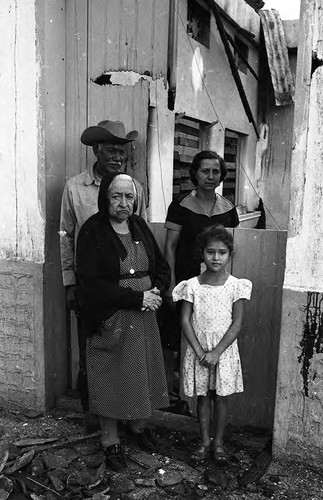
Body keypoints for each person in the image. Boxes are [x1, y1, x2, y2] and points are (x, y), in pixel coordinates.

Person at [76, 172, 170, 471]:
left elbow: (161, 266)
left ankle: (137, 426)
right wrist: (136, 298)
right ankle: (110, 437)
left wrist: (156, 291)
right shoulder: (92, 230)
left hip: (143, 315)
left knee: (140, 372)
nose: (123, 203)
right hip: (111, 315)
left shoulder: (139, 224)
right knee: (110, 374)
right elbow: (91, 283)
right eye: (116, 196)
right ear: (105, 197)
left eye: (129, 197)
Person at [59, 120, 147, 422]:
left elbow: (141, 234)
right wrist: (70, 282)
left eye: (121, 150)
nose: (117, 157)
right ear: (96, 149)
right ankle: (93, 415)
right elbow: (66, 236)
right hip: (91, 285)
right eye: (111, 150)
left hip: (126, 289)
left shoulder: (133, 189)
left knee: (128, 354)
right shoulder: (75, 187)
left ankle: (126, 415)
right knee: (92, 350)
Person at [172, 226, 252, 463]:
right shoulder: (192, 285)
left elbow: (237, 323)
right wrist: (199, 352)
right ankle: (204, 441)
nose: (216, 258)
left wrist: (216, 352)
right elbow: (185, 319)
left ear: (230, 254)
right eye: (210, 252)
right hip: (200, 351)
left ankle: (219, 443)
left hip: (223, 352)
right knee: (203, 396)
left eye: (222, 252)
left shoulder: (236, 285)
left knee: (221, 397)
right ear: (202, 253)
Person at [164, 150, 239, 293]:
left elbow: (232, 249)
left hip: (217, 282)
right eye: (205, 171)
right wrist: (171, 282)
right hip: (184, 280)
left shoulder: (228, 208)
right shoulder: (180, 205)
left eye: (216, 172)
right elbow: (170, 246)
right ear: (195, 174)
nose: (211, 176)